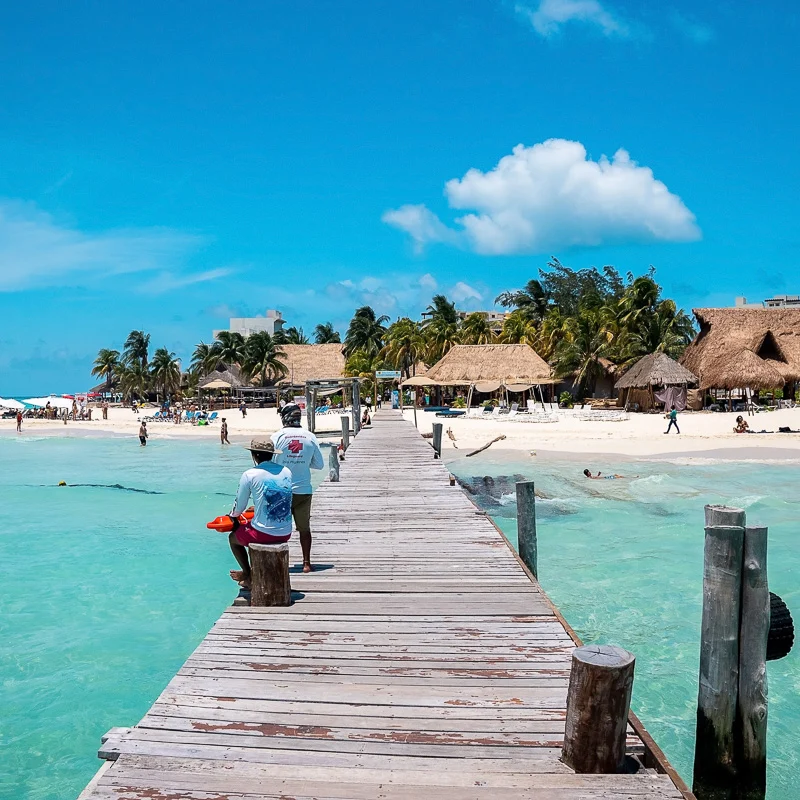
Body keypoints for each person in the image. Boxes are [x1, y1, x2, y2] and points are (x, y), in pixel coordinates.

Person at [226, 439, 293, 589]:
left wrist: (232, 516)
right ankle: (254, 572)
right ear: (271, 455)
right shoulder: (286, 471)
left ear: (254, 455)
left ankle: (248, 574)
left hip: (264, 533)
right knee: (250, 527)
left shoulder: (250, 474)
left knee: (233, 538)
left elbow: (239, 507)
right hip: (286, 531)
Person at [271, 403, 324, 573]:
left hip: (281, 490)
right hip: (303, 491)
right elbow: (319, 465)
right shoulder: (310, 437)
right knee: (304, 528)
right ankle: (306, 563)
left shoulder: (277, 437)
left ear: (284, 417)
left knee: (277, 529)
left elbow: (269, 463)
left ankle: (279, 564)